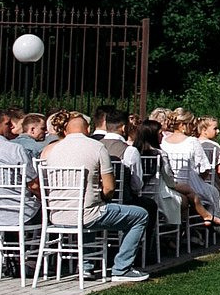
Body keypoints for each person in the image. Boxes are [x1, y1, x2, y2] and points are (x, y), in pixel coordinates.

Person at [39, 115, 150, 282]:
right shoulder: (96, 147)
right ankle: (122, 268)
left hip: (56, 214)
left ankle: (86, 267)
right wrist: (104, 198)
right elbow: (110, 187)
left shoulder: (52, 149)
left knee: (88, 209)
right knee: (140, 215)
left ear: (64, 130)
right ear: (88, 130)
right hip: (86, 214)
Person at [197, 116, 220, 214]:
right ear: (204, 130)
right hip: (211, 183)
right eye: (215, 128)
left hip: (195, 182)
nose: (218, 131)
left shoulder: (194, 143)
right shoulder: (214, 146)